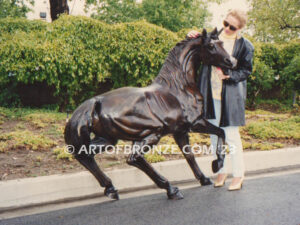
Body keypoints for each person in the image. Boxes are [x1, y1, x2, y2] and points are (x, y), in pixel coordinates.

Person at [188, 9, 254, 190]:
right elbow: (196, 46)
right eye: (225, 23)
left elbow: (246, 71)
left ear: (239, 29)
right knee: (215, 136)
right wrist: (192, 36)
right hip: (210, 95)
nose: (226, 28)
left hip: (229, 99)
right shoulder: (213, 36)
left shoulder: (245, 46)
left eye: (232, 27)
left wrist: (230, 76)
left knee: (232, 137)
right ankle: (222, 171)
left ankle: (238, 175)